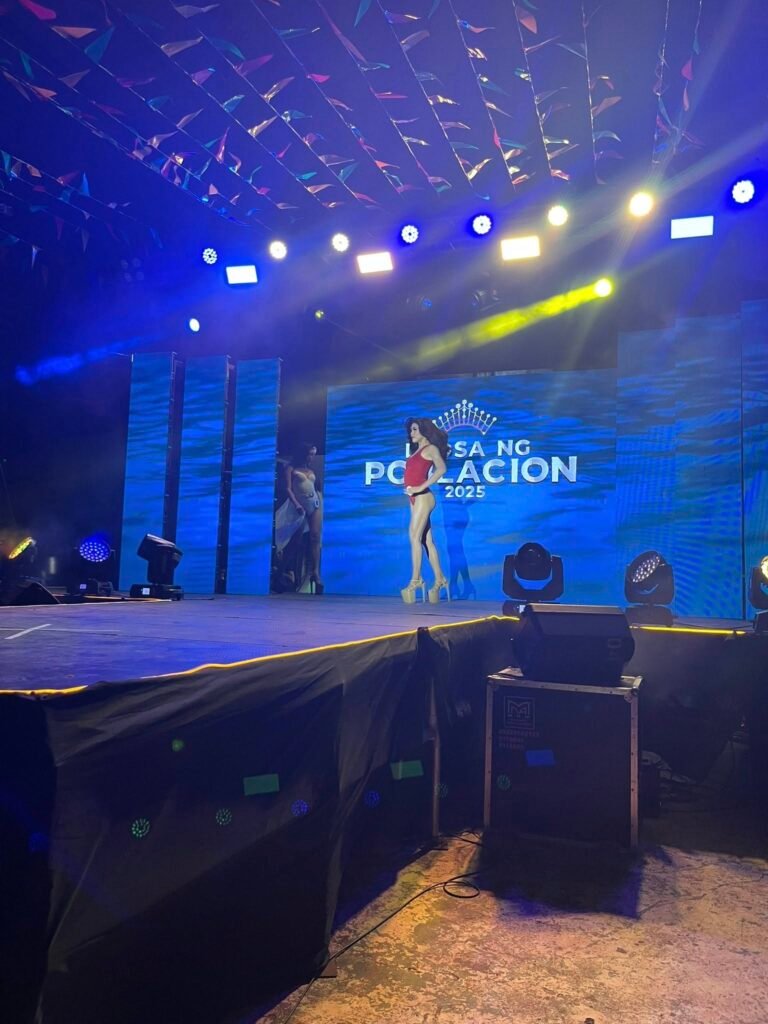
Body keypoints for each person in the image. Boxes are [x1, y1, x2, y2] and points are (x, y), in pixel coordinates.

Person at [401, 418, 450, 604]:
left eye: (415, 429)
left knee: (414, 538)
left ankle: (416, 580)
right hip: (414, 499)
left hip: (423, 497)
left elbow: (442, 469)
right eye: (410, 430)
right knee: (427, 541)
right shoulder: (417, 451)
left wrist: (420, 487)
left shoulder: (430, 449)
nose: (411, 433)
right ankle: (440, 579)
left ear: (424, 431)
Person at [284, 444, 323, 593]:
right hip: (299, 505)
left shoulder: (311, 470)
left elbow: (315, 488)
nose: (311, 457)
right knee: (295, 539)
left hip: (314, 503)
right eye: (309, 454)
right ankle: (284, 569)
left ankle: (315, 573)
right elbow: (288, 489)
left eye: (313, 454)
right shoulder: (290, 468)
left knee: (315, 536)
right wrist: (297, 504)